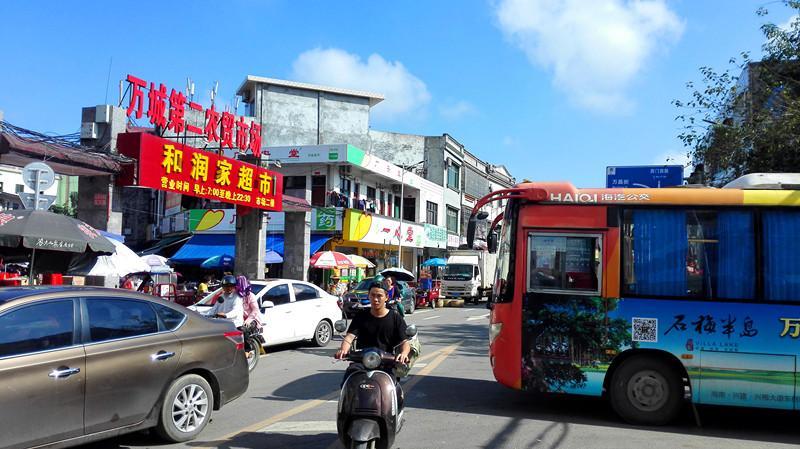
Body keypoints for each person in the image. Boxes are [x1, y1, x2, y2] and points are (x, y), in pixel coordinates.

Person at [335, 279, 411, 386]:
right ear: (368, 296)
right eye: (372, 295)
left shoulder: (395, 317)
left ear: (386, 297)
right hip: (362, 362)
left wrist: (403, 354)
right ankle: (346, 402)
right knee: (348, 381)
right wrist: (343, 350)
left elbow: (404, 342)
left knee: (393, 387)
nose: (375, 299)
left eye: (379, 296)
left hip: (387, 363)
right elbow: (349, 337)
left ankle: (395, 402)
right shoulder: (361, 316)